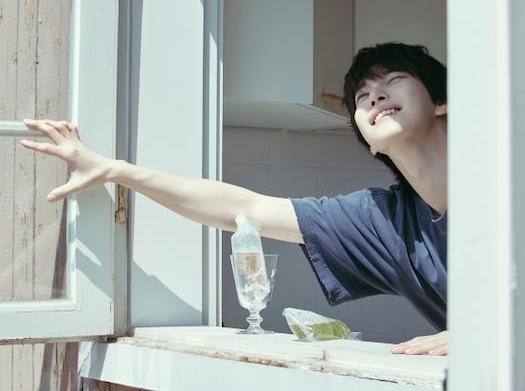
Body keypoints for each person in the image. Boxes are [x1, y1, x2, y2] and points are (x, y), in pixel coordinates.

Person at [21, 42, 449, 356]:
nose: (375, 96)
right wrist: (114, 170)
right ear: (368, 142)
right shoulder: (382, 220)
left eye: (394, 81)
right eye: (362, 96)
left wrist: (480, 334)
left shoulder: (494, 183)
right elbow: (244, 209)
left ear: (442, 103)